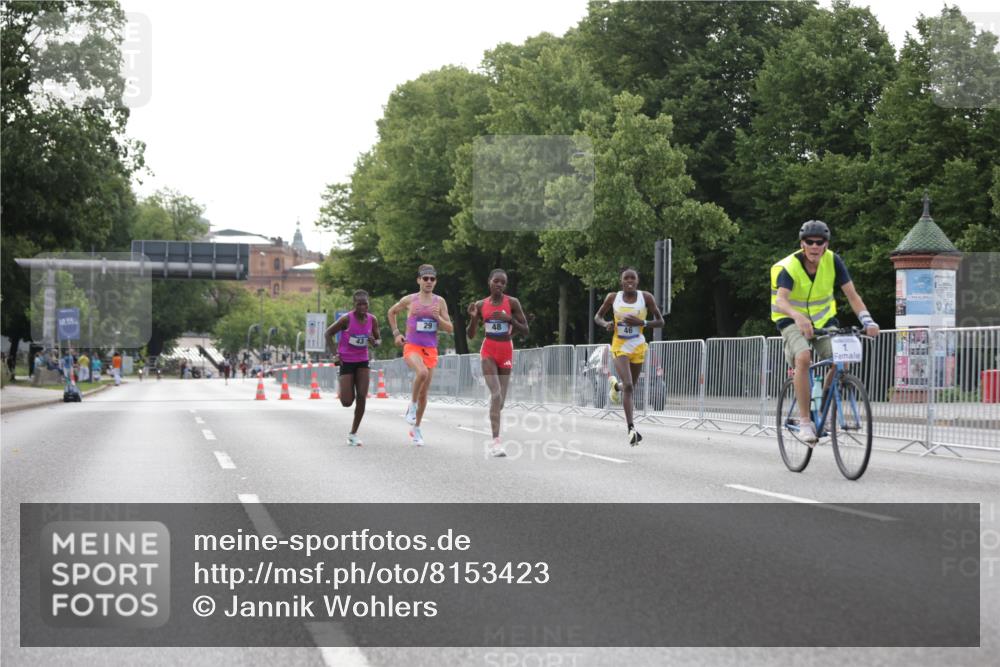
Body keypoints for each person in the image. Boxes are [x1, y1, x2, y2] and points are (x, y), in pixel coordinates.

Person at [771, 220, 880, 446]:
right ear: (802, 244)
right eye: (809, 242)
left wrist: (867, 320)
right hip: (791, 320)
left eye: (819, 242)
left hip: (823, 321)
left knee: (842, 359)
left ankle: (823, 408)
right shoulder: (790, 267)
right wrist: (798, 316)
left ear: (826, 244)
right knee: (803, 358)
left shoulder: (833, 261)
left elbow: (852, 295)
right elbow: (780, 300)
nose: (814, 246)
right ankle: (804, 422)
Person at [594, 267, 665, 446]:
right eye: (626, 278)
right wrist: (606, 324)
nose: (630, 281)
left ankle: (615, 386)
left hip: (638, 346)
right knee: (629, 385)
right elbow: (598, 317)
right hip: (620, 346)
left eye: (633, 278)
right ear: (621, 281)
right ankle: (631, 429)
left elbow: (660, 321)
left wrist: (642, 322)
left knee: (629, 387)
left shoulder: (646, 297)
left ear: (637, 281)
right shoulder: (613, 297)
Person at [387, 264, 454, 446]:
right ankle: (412, 405)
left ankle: (416, 428)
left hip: (430, 349)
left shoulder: (440, 302)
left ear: (435, 281)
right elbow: (391, 312)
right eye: (425, 278)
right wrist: (396, 333)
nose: (429, 281)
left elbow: (450, 328)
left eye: (432, 279)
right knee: (422, 372)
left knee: (424, 393)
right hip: (412, 347)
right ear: (419, 280)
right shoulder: (410, 300)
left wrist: (438, 318)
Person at [466, 268, 529, 458]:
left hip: (506, 351)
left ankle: (494, 406)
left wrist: (509, 319)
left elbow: (525, 330)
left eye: (503, 282)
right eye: (496, 281)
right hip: (488, 351)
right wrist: (473, 318)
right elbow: (470, 335)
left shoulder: (512, 302)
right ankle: (496, 443)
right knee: (496, 394)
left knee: (500, 402)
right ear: (489, 282)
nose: (499, 285)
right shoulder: (480, 304)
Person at [326, 290, 382, 446]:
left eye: (365, 304)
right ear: (354, 304)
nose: (363, 307)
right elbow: (328, 333)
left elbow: (378, 339)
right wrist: (335, 354)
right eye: (359, 304)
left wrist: (375, 342)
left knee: (362, 396)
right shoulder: (346, 319)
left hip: (363, 360)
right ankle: (344, 385)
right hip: (346, 361)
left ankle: (353, 433)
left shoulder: (372, 319)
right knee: (347, 402)